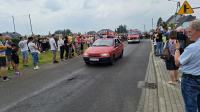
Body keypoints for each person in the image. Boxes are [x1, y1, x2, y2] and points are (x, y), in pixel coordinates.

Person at [174, 19, 200, 112]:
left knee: (190, 108)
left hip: (190, 81)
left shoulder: (192, 47)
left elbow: (177, 63)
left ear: (198, 31)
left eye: (190, 31)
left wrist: (177, 49)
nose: (188, 34)